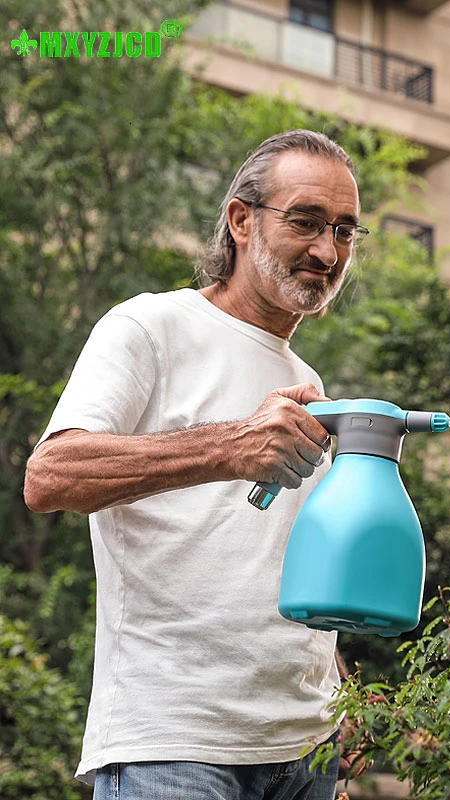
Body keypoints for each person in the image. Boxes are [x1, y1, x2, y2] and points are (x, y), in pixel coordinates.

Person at [24, 129, 372, 800]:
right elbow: (51, 474)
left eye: (345, 231)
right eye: (305, 221)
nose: (327, 250)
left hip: (307, 751)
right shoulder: (151, 328)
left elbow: (266, 555)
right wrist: (230, 446)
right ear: (242, 220)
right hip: (175, 744)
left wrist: (341, 694)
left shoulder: (308, 379)